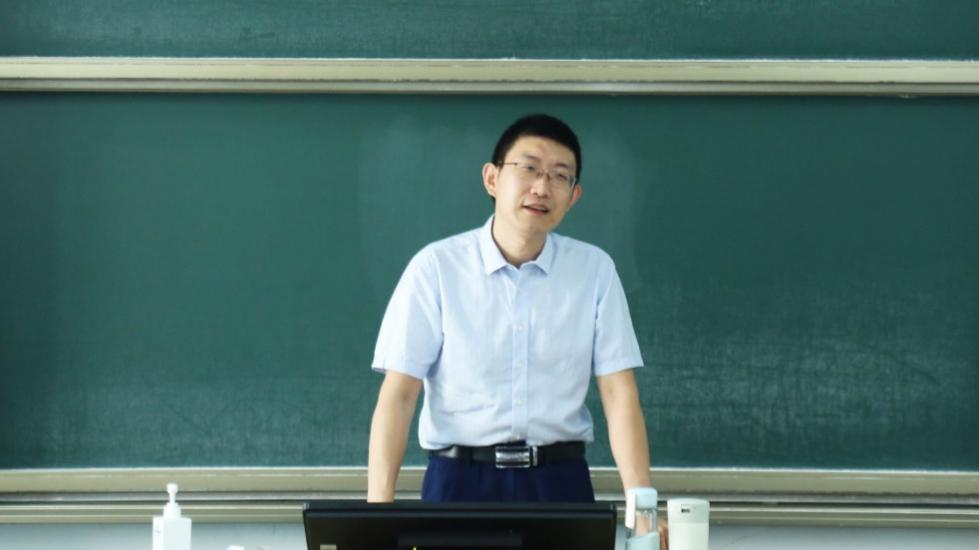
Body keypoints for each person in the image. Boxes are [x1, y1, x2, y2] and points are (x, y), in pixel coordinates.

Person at [367, 114, 666, 546]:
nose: (542, 187)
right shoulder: (436, 268)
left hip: (560, 484)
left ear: (573, 196)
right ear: (492, 178)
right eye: (528, 168)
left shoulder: (594, 270)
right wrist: (377, 517)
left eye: (559, 176)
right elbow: (399, 395)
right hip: (459, 482)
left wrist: (644, 510)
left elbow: (619, 393)